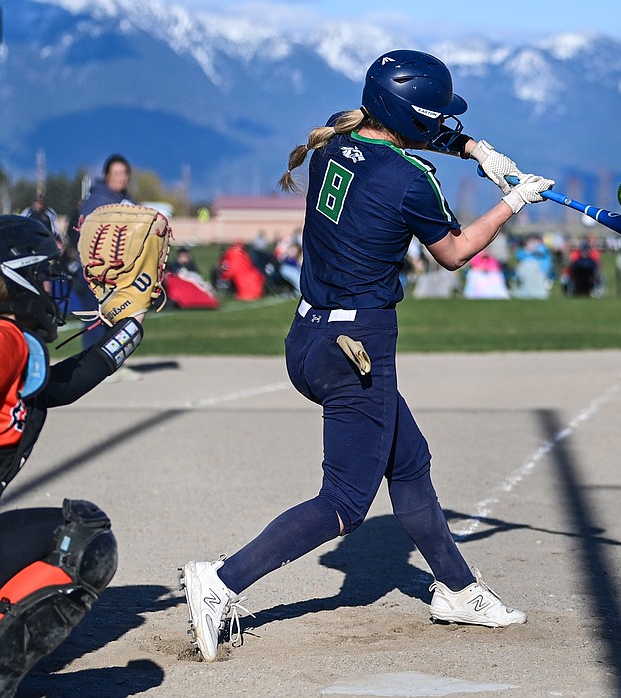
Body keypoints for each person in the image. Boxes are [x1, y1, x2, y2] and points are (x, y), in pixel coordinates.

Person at [180, 49, 553, 662]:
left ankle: (458, 590)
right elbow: (455, 253)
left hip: (308, 338)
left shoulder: (337, 140)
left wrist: (472, 149)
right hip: (357, 348)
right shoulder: (412, 179)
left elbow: (394, 132)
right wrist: (512, 202)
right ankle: (220, 581)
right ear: (413, 116)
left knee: (408, 463)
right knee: (346, 504)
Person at [0, 216, 148, 697]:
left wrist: (129, 327)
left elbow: (61, 386)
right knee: (81, 540)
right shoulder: (5, 340)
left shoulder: (15, 345)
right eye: (43, 275)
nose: (50, 287)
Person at [75, 155, 137, 349]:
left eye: (124, 173)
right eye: (116, 173)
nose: (121, 177)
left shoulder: (127, 200)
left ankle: (114, 365)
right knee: (96, 324)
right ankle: (91, 370)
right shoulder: (97, 200)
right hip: (96, 274)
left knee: (119, 323)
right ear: (106, 175)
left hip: (121, 274)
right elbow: (88, 239)